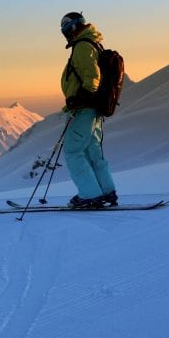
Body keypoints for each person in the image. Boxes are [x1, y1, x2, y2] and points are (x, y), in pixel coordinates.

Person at [59, 12, 118, 207]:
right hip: (94, 108)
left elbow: (92, 76)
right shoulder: (93, 43)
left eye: (66, 28)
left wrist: (79, 99)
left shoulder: (83, 46)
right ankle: (106, 191)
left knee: (73, 150)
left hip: (85, 108)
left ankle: (90, 194)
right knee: (92, 150)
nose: (65, 32)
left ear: (74, 27)